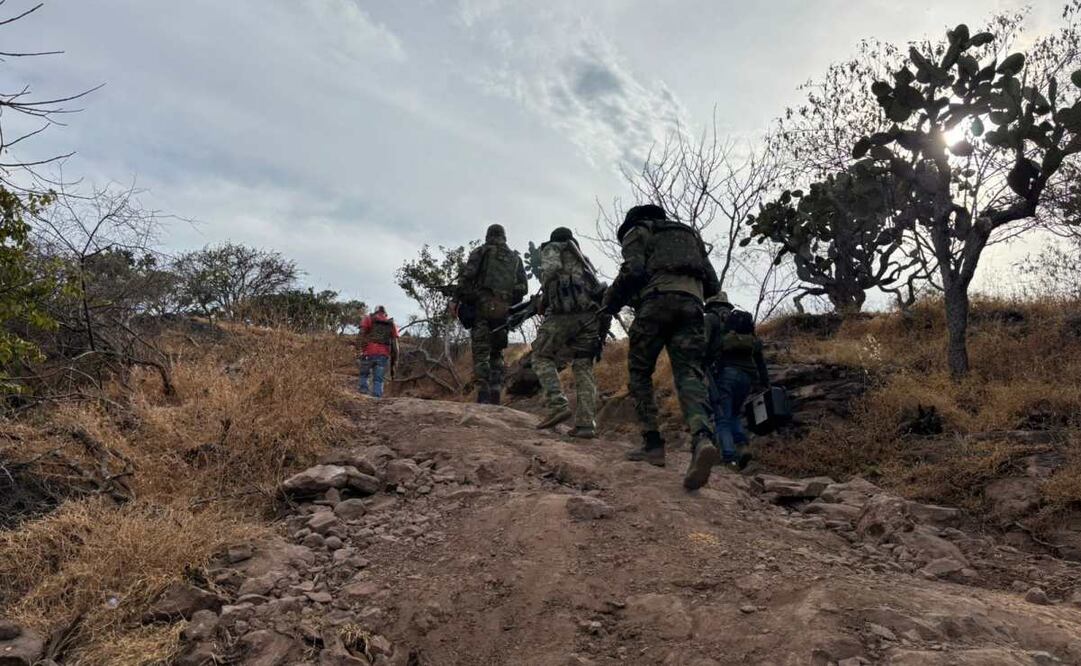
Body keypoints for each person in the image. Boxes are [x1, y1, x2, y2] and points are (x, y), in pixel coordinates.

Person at [601, 204, 721, 490]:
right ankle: (702, 437)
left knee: (640, 372)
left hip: (656, 304)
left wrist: (610, 303)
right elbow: (713, 285)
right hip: (692, 307)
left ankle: (652, 445)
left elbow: (633, 270)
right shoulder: (689, 235)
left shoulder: (638, 231)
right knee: (689, 374)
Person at [533, 227, 605, 439]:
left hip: (563, 316)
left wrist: (545, 297)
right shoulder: (584, 260)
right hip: (589, 318)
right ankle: (586, 425)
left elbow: (550, 272)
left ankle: (557, 404)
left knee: (540, 355)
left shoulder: (553, 249)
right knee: (583, 366)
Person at [458, 224, 528, 405]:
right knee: (496, 352)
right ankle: (496, 393)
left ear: (488, 235)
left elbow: (467, 277)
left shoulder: (481, 252)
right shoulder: (515, 259)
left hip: (481, 310)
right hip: (502, 312)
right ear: (504, 236)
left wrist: (461, 297)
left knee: (481, 352)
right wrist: (505, 298)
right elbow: (523, 288)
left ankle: (483, 395)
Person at [704, 292, 769, 469]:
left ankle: (729, 457)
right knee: (734, 414)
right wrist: (765, 383)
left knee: (722, 418)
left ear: (710, 305)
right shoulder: (742, 324)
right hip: (747, 378)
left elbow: (706, 347)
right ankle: (742, 447)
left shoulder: (712, 320)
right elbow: (760, 358)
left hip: (726, 375)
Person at [358, 305, 399, 398]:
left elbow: (361, 334)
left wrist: (360, 349)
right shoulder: (391, 324)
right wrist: (394, 361)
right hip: (383, 354)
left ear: (375, 311)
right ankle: (376, 398)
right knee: (378, 379)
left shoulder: (368, 318)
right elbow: (395, 345)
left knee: (364, 374)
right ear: (385, 313)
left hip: (368, 352)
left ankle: (362, 395)